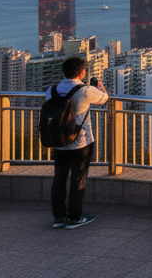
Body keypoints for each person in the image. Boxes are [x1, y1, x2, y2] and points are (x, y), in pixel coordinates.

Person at [50, 56, 107, 230]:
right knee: (77, 178)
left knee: (59, 178)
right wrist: (99, 85)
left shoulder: (52, 90)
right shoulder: (86, 90)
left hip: (58, 141)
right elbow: (104, 98)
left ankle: (59, 217)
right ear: (82, 72)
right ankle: (75, 216)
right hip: (80, 142)